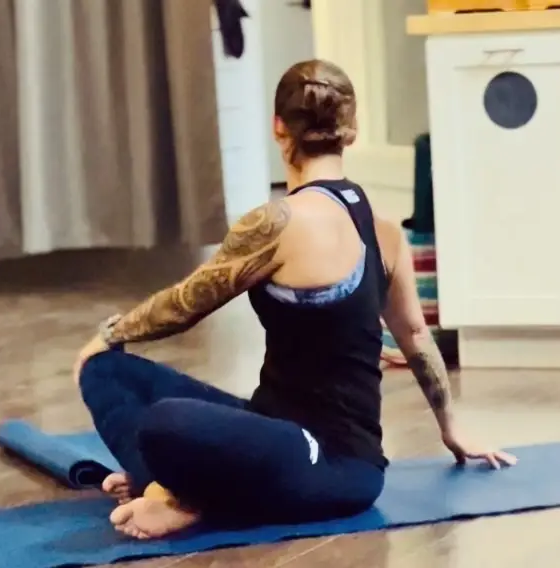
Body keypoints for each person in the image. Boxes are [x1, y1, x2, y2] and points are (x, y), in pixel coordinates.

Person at [75, 59, 517, 540]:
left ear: (278, 127)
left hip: (334, 468)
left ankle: (179, 493)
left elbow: (183, 305)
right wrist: (450, 427)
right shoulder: (386, 231)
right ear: (351, 130)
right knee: (114, 372)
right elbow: (414, 334)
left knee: (156, 414)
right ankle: (169, 483)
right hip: (277, 432)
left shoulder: (275, 225)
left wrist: (107, 334)